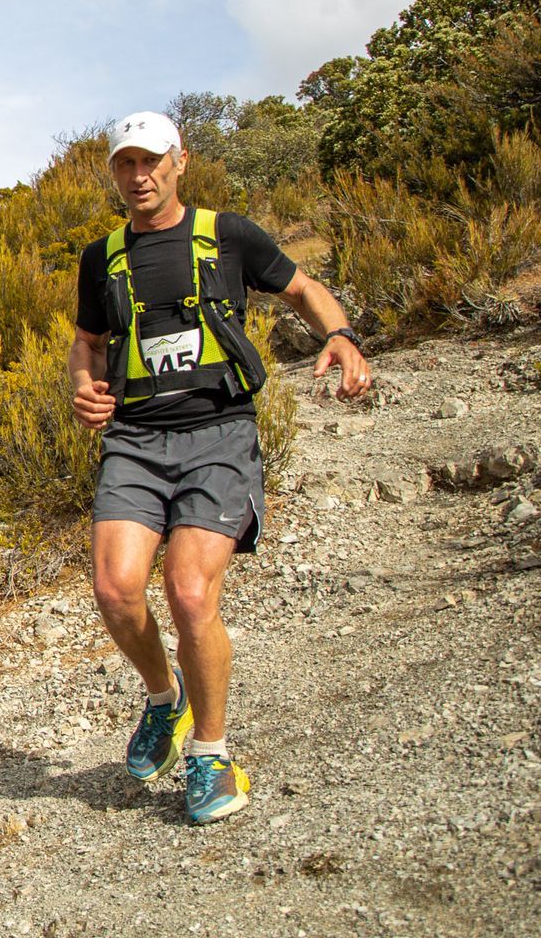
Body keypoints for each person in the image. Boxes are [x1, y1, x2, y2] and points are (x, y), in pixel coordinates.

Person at [68, 110, 371, 825]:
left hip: (218, 435)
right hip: (135, 439)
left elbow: (302, 288)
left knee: (189, 591)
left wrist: (339, 334)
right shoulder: (101, 257)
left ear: (180, 161)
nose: (138, 176)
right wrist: (82, 384)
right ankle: (165, 698)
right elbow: (88, 341)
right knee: (115, 590)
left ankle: (211, 753)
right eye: (124, 164)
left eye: (151, 161)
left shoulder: (227, 235)